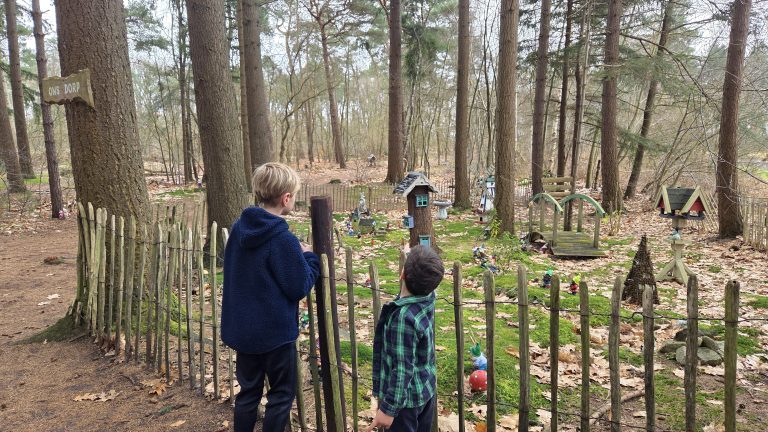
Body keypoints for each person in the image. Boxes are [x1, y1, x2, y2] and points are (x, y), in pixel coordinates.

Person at [221, 162, 320, 432]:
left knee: (248, 393)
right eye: (294, 196)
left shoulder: (239, 228)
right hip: (275, 335)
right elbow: (299, 285)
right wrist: (310, 258)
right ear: (286, 198)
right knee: (280, 395)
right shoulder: (282, 239)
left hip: (244, 333)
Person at [367, 245, 444, 432]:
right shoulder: (428, 298)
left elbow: (403, 369)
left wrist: (388, 410)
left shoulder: (403, 319)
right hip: (425, 391)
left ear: (402, 274)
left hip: (405, 404)